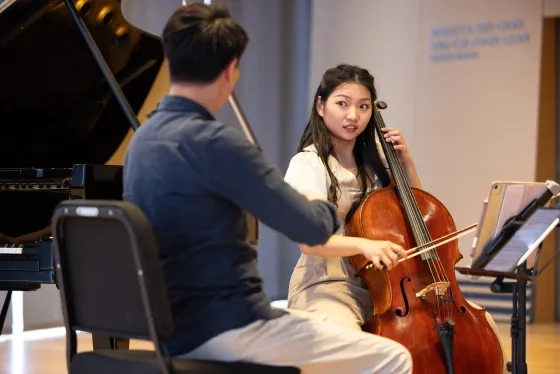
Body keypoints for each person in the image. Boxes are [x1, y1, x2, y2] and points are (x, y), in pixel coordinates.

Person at [123, 3, 412, 374]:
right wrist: (313, 200)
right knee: (393, 357)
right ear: (230, 71)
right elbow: (311, 228)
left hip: (168, 326)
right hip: (230, 324)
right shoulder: (218, 142)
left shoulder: (143, 141)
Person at [283, 63, 509, 373]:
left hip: (391, 289)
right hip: (329, 285)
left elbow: (419, 218)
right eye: (342, 104)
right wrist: (364, 246)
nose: (353, 116)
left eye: (363, 107)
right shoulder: (308, 165)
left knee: (485, 328)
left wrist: (406, 163)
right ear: (321, 106)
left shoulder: (377, 161)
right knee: (352, 349)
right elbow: (310, 242)